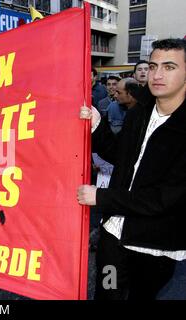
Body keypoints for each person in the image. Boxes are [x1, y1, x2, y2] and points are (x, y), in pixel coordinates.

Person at [78, 38, 186, 300]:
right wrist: (96, 125)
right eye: (153, 66)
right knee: (107, 290)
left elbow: (162, 199)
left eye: (169, 67)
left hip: (152, 247)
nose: (157, 75)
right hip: (112, 237)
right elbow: (120, 154)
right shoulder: (140, 113)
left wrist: (101, 197)